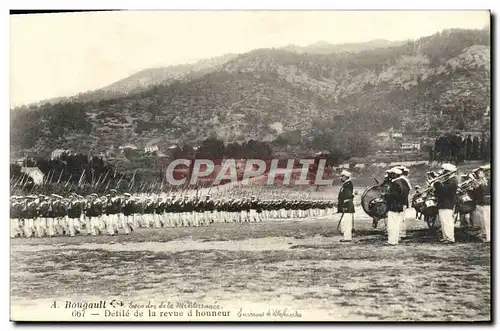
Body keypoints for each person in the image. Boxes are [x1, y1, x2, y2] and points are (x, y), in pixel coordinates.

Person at [433, 163, 458, 244]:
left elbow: (445, 191)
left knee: (447, 221)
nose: (442, 173)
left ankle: (450, 238)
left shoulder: (452, 180)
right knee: (444, 222)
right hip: (444, 203)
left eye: (444, 171)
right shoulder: (448, 180)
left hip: (447, 203)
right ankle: (446, 237)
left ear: (449, 172)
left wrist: (437, 184)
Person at [384, 168, 409, 246]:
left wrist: (385, 195)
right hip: (399, 206)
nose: (390, 175)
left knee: (391, 225)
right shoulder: (402, 182)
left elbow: (394, 195)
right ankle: (395, 240)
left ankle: (391, 241)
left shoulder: (395, 183)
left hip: (393, 206)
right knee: (397, 224)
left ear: (395, 175)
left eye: (392, 174)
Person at [469, 165, 490, 243]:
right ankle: (488, 236)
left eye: (486, 171)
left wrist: (478, 185)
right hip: (485, 202)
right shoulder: (485, 181)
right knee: (486, 220)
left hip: (488, 202)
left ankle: (489, 237)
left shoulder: (486, 181)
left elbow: (483, 192)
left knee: (488, 220)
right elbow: (478, 194)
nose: (484, 173)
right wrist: (474, 188)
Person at [337, 170, 354, 242]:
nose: (341, 178)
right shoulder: (346, 184)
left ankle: (347, 238)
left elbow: (348, 196)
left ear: (346, 177)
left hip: (347, 206)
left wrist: (344, 206)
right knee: (345, 221)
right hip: (346, 205)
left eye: (342, 176)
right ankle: (346, 236)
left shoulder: (348, 184)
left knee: (347, 222)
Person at [396, 166, 411, 239]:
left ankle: (400, 234)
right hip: (403, 202)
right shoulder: (404, 180)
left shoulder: (401, 180)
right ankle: (401, 234)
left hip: (401, 203)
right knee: (401, 218)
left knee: (400, 219)